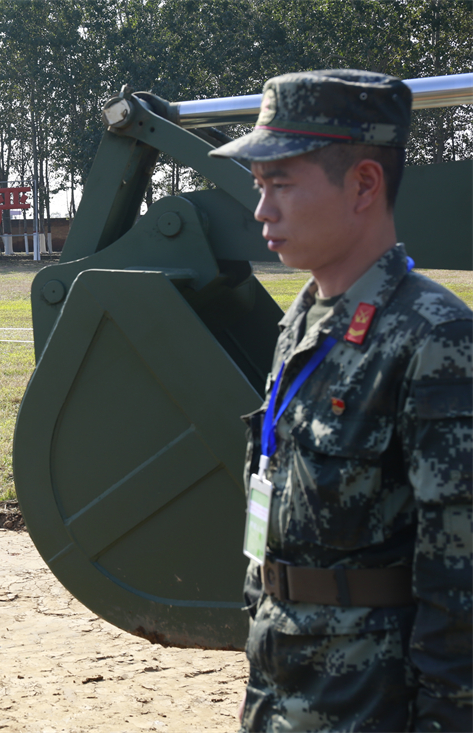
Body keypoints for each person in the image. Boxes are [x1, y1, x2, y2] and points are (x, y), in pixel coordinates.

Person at [209, 69, 472, 731]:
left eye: (281, 184)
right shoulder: (304, 320)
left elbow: (461, 579)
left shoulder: (435, 338)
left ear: (363, 184)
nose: (262, 210)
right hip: (282, 685)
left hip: (373, 702)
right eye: (259, 187)